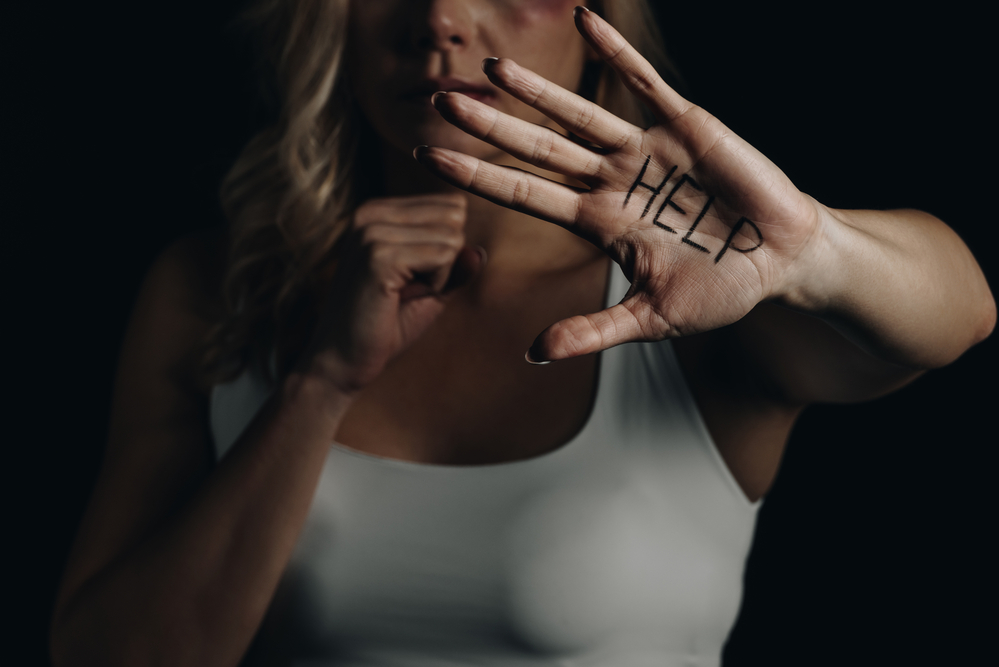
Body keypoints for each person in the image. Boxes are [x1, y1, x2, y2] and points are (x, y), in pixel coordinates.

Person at [48, 1, 995, 666]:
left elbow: (954, 314)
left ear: (601, 27)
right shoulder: (213, 289)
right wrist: (321, 382)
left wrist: (811, 251)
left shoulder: (687, 304)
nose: (441, 17)